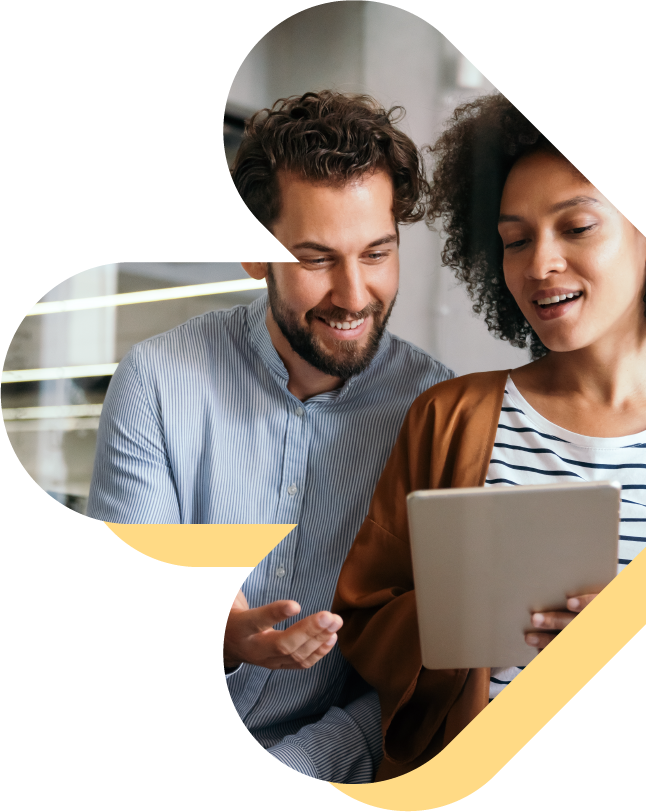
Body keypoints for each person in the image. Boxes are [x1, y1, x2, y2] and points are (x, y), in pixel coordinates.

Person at [332, 93, 646, 779]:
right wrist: (471, 614)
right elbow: (367, 616)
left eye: (577, 226)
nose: (539, 264)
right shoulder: (450, 417)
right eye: (516, 240)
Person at [87, 91, 454, 782]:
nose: (353, 294)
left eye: (376, 252)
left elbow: (421, 673)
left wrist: (291, 773)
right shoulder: (159, 381)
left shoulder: (436, 411)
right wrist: (223, 636)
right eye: (317, 258)